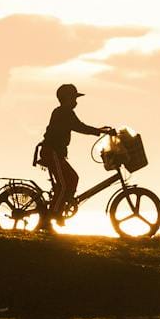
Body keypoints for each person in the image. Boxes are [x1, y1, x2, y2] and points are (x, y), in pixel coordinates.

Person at [40, 83, 111, 220]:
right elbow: (79, 127)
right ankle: (51, 217)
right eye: (74, 98)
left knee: (73, 178)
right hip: (52, 152)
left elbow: (79, 126)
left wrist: (98, 130)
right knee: (63, 185)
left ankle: (61, 206)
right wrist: (99, 131)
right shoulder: (63, 112)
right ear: (67, 98)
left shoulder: (65, 112)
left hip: (57, 153)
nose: (76, 102)